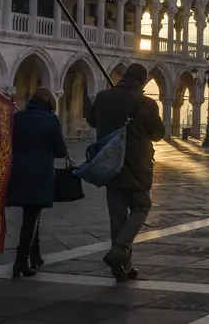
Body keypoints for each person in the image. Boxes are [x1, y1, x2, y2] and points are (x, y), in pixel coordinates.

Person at [87, 63, 166, 282]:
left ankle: (122, 266)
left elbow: (91, 121)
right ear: (142, 82)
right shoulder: (146, 104)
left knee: (117, 217)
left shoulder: (103, 97)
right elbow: (158, 134)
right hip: (136, 167)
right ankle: (120, 250)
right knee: (142, 206)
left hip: (109, 165)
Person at [5, 87, 67, 279]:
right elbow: (60, 151)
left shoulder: (18, 118)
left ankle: (35, 255)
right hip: (39, 172)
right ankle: (21, 261)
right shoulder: (50, 120)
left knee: (31, 213)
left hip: (18, 170)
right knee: (31, 216)